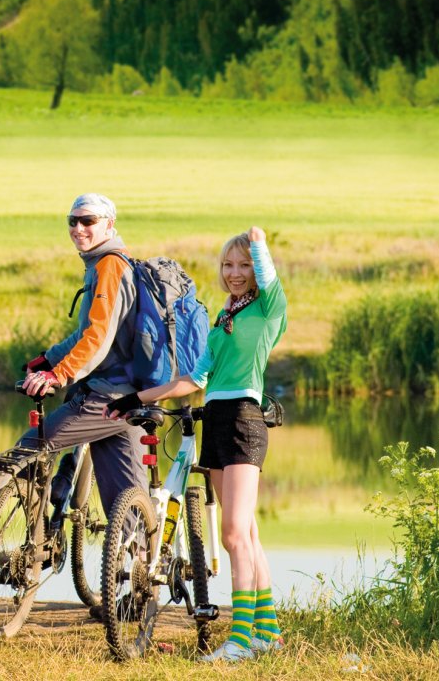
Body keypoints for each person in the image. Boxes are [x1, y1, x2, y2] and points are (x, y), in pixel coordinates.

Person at [109, 226, 286, 662]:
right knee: (247, 533)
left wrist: (258, 243)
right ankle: (268, 632)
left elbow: (269, 277)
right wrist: (136, 398)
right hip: (217, 420)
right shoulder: (226, 318)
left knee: (232, 535)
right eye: (228, 265)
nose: (236, 273)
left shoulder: (269, 309)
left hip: (246, 420)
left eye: (244, 265)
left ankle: (240, 641)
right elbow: (195, 378)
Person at [17, 193, 149, 534]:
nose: (78, 228)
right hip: (132, 395)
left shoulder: (109, 266)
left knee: (27, 449)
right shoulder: (106, 264)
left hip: (107, 395)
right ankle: (141, 576)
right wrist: (48, 358)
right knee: (128, 501)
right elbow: (84, 334)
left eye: (88, 221)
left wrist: (58, 375)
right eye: (72, 221)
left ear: (109, 224)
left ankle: (32, 547)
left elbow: (97, 338)